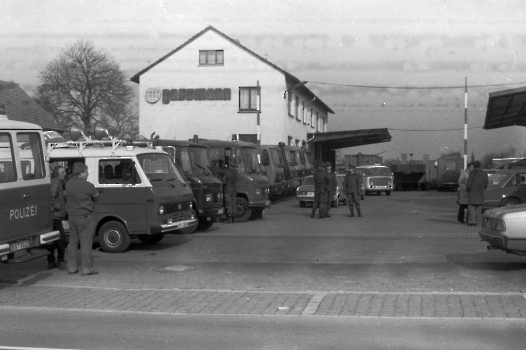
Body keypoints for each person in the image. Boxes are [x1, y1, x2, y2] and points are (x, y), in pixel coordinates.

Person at [65, 163, 99, 275]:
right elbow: (96, 197)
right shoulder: (87, 185)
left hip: (72, 216)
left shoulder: (68, 184)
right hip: (85, 216)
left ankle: (72, 268)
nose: (88, 173)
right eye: (86, 171)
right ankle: (86, 269)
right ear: (80, 173)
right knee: (86, 243)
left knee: (73, 243)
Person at [47, 165, 67, 270]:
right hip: (56, 215)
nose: (65, 174)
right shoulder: (57, 181)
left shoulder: (56, 181)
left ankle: (51, 260)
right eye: (62, 172)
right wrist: (57, 205)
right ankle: (60, 260)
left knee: (53, 239)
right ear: (57, 174)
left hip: (55, 215)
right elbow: (52, 195)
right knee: (61, 237)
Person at [466, 160, 488, 226]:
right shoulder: (484, 173)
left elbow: (469, 183)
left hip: (472, 193)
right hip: (480, 193)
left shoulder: (472, 173)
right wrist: (482, 189)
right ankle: (479, 221)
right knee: (479, 208)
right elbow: (486, 183)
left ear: (474, 166)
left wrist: (468, 190)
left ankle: (472, 221)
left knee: (471, 208)